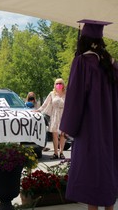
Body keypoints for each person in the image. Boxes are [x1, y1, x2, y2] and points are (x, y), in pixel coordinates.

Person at [60, 19, 118, 210]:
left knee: (91, 174)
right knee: (107, 171)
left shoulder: (83, 62)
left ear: (83, 39)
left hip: (89, 129)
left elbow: (75, 98)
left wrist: (68, 127)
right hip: (110, 130)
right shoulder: (112, 65)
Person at [36, 78, 67, 159]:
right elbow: (45, 104)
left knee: (63, 135)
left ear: (63, 84)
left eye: (60, 83)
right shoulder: (52, 94)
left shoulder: (66, 93)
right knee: (55, 135)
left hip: (64, 115)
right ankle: (56, 153)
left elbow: (71, 105)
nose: (59, 85)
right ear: (54, 85)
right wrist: (38, 110)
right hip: (55, 115)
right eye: (57, 83)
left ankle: (61, 152)